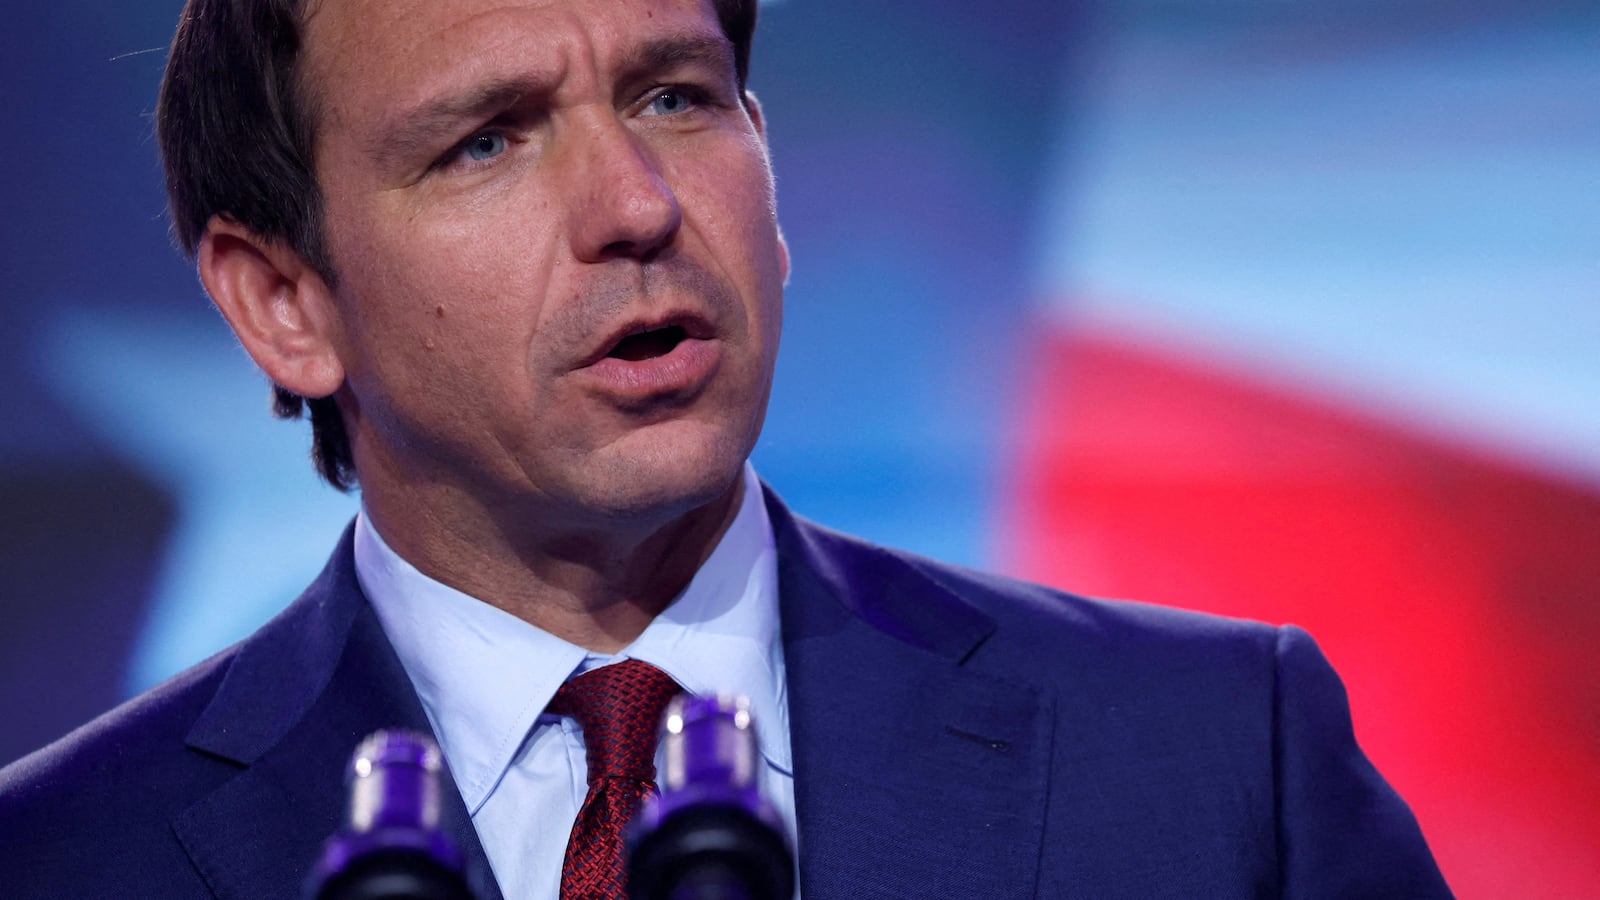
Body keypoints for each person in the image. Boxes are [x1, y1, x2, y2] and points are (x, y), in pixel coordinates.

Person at [0, 0, 1452, 897]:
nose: (635, 204)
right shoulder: (63, 861)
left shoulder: (1210, 761)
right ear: (285, 302)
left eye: (674, 96)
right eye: (488, 141)